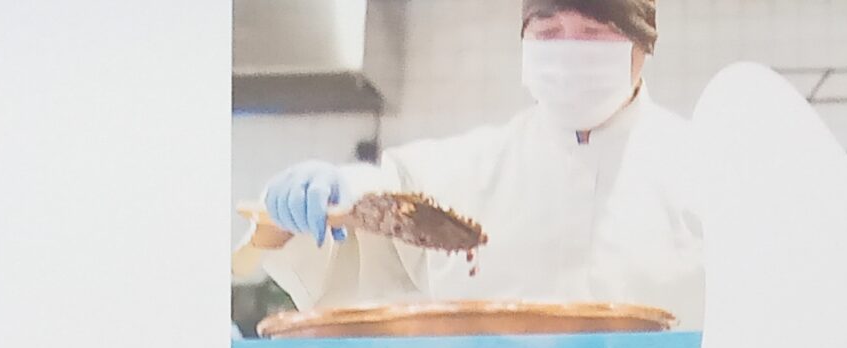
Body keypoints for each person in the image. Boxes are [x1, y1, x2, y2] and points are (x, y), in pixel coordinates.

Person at [256, 1, 706, 325]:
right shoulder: (461, 173)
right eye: (548, 31)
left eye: (594, 32)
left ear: (643, 43)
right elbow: (375, 210)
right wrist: (320, 197)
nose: (570, 50)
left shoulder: (708, 174)